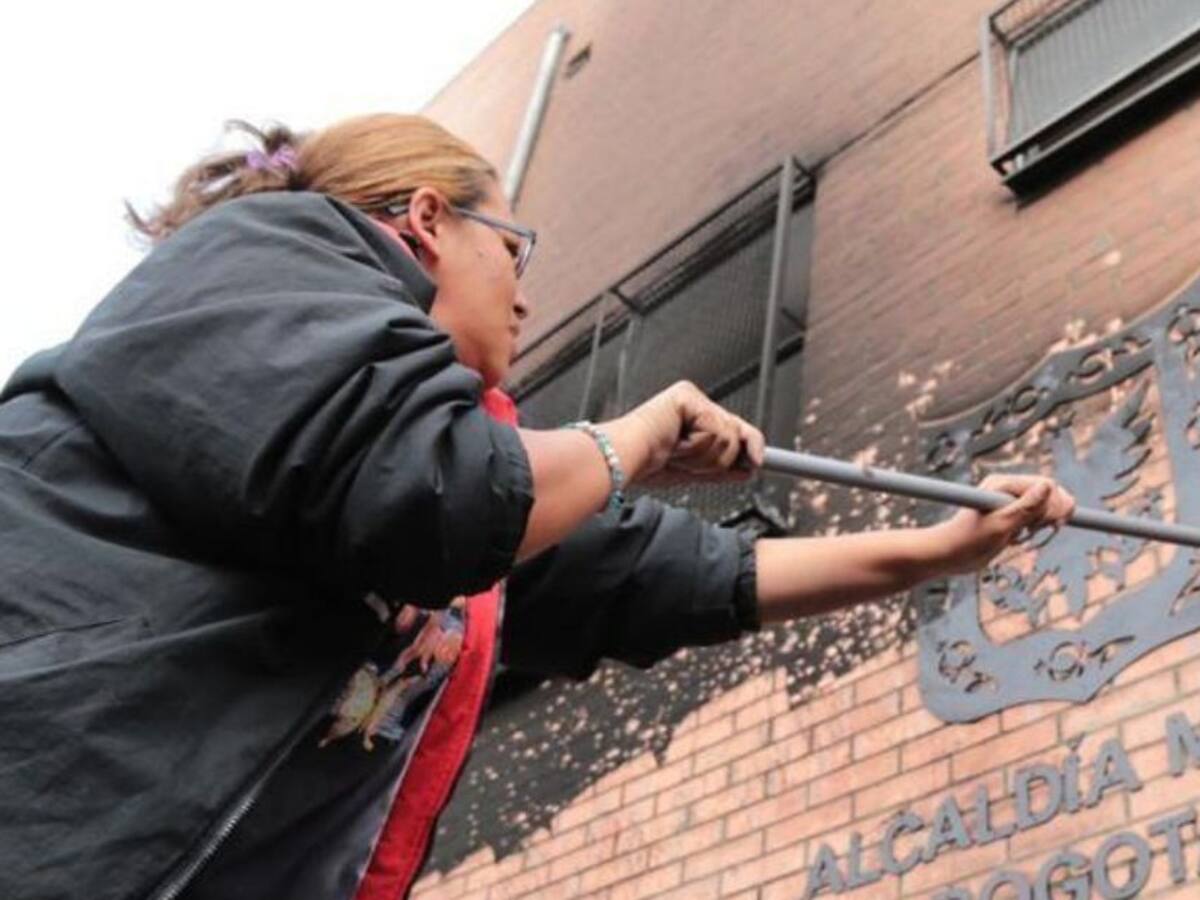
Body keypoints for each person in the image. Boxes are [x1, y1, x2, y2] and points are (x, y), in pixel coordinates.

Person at [0, 114, 1074, 900]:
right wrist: (630, 440)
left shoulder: (464, 454)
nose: (525, 294)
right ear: (428, 220)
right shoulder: (267, 259)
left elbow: (677, 577)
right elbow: (434, 494)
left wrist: (944, 550)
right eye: (513, 250)